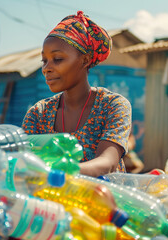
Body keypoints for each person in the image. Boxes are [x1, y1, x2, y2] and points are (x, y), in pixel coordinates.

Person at [22, 11, 132, 177]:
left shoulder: (112, 105)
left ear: (85, 60)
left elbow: (108, 163)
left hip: (107, 200)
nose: (46, 68)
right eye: (44, 61)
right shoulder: (38, 114)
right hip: (52, 202)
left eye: (57, 59)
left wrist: (59, 173)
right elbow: (24, 161)